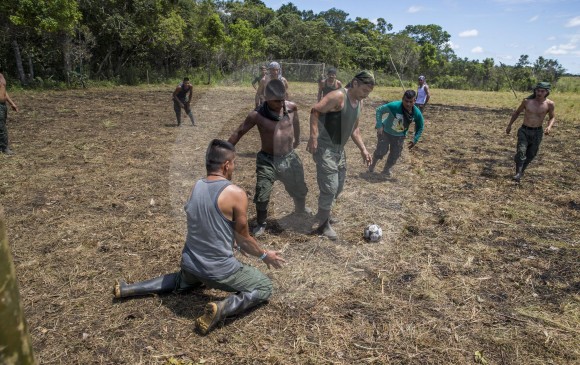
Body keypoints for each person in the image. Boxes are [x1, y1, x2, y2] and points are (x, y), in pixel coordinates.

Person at [113, 139, 285, 335]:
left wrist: (234, 243)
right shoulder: (236, 193)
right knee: (264, 286)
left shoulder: (196, 186)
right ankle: (222, 308)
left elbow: (210, 225)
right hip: (218, 271)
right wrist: (264, 255)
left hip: (191, 265)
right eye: (234, 162)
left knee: (180, 281)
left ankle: (127, 289)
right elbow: (244, 239)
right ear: (227, 165)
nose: (234, 166)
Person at [228, 79, 310, 236]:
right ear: (266, 98)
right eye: (275, 101)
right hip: (267, 160)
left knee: (299, 186)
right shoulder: (256, 115)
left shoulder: (291, 108)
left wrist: (298, 139)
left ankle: (300, 209)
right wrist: (225, 151)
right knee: (262, 191)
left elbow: (297, 123)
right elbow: (238, 132)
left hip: (289, 157)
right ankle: (261, 222)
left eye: (282, 99)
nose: (280, 104)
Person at [306, 71, 375, 240]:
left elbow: (354, 129)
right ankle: (323, 224)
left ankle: (323, 213)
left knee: (338, 186)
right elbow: (315, 111)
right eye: (365, 90)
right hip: (325, 148)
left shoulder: (359, 103)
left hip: (339, 150)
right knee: (330, 186)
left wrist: (363, 149)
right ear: (355, 83)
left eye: (369, 92)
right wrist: (313, 137)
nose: (366, 95)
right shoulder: (338, 96)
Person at [505, 82, 556, 182]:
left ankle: (521, 171)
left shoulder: (549, 104)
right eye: (538, 90)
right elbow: (517, 112)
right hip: (524, 130)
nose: (539, 93)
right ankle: (518, 173)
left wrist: (549, 127)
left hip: (537, 132)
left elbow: (552, 117)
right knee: (521, 151)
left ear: (547, 92)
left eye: (542, 91)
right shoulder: (527, 101)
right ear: (535, 91)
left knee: (531, 154)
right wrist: (509, 125)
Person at [368, 90, 425, 176]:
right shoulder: (394, 106)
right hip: (385, 132)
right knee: (381, 151)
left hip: (400, 135)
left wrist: (415, 139)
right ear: (402, 99)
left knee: (395, 154)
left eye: (411, 102)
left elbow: (420, 126)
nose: (408, 104)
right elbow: (379, 110)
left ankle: (386, 170)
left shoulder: (416, 113)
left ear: (415, 100)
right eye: (406, 101)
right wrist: (379, 124)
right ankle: (372, 164)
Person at [0, 68, 19, 155]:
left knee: (2, 124)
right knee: (1, 127)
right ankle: (4, 147)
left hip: (3, 105)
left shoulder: (1, 76)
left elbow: (4, 91)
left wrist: (12, 103)